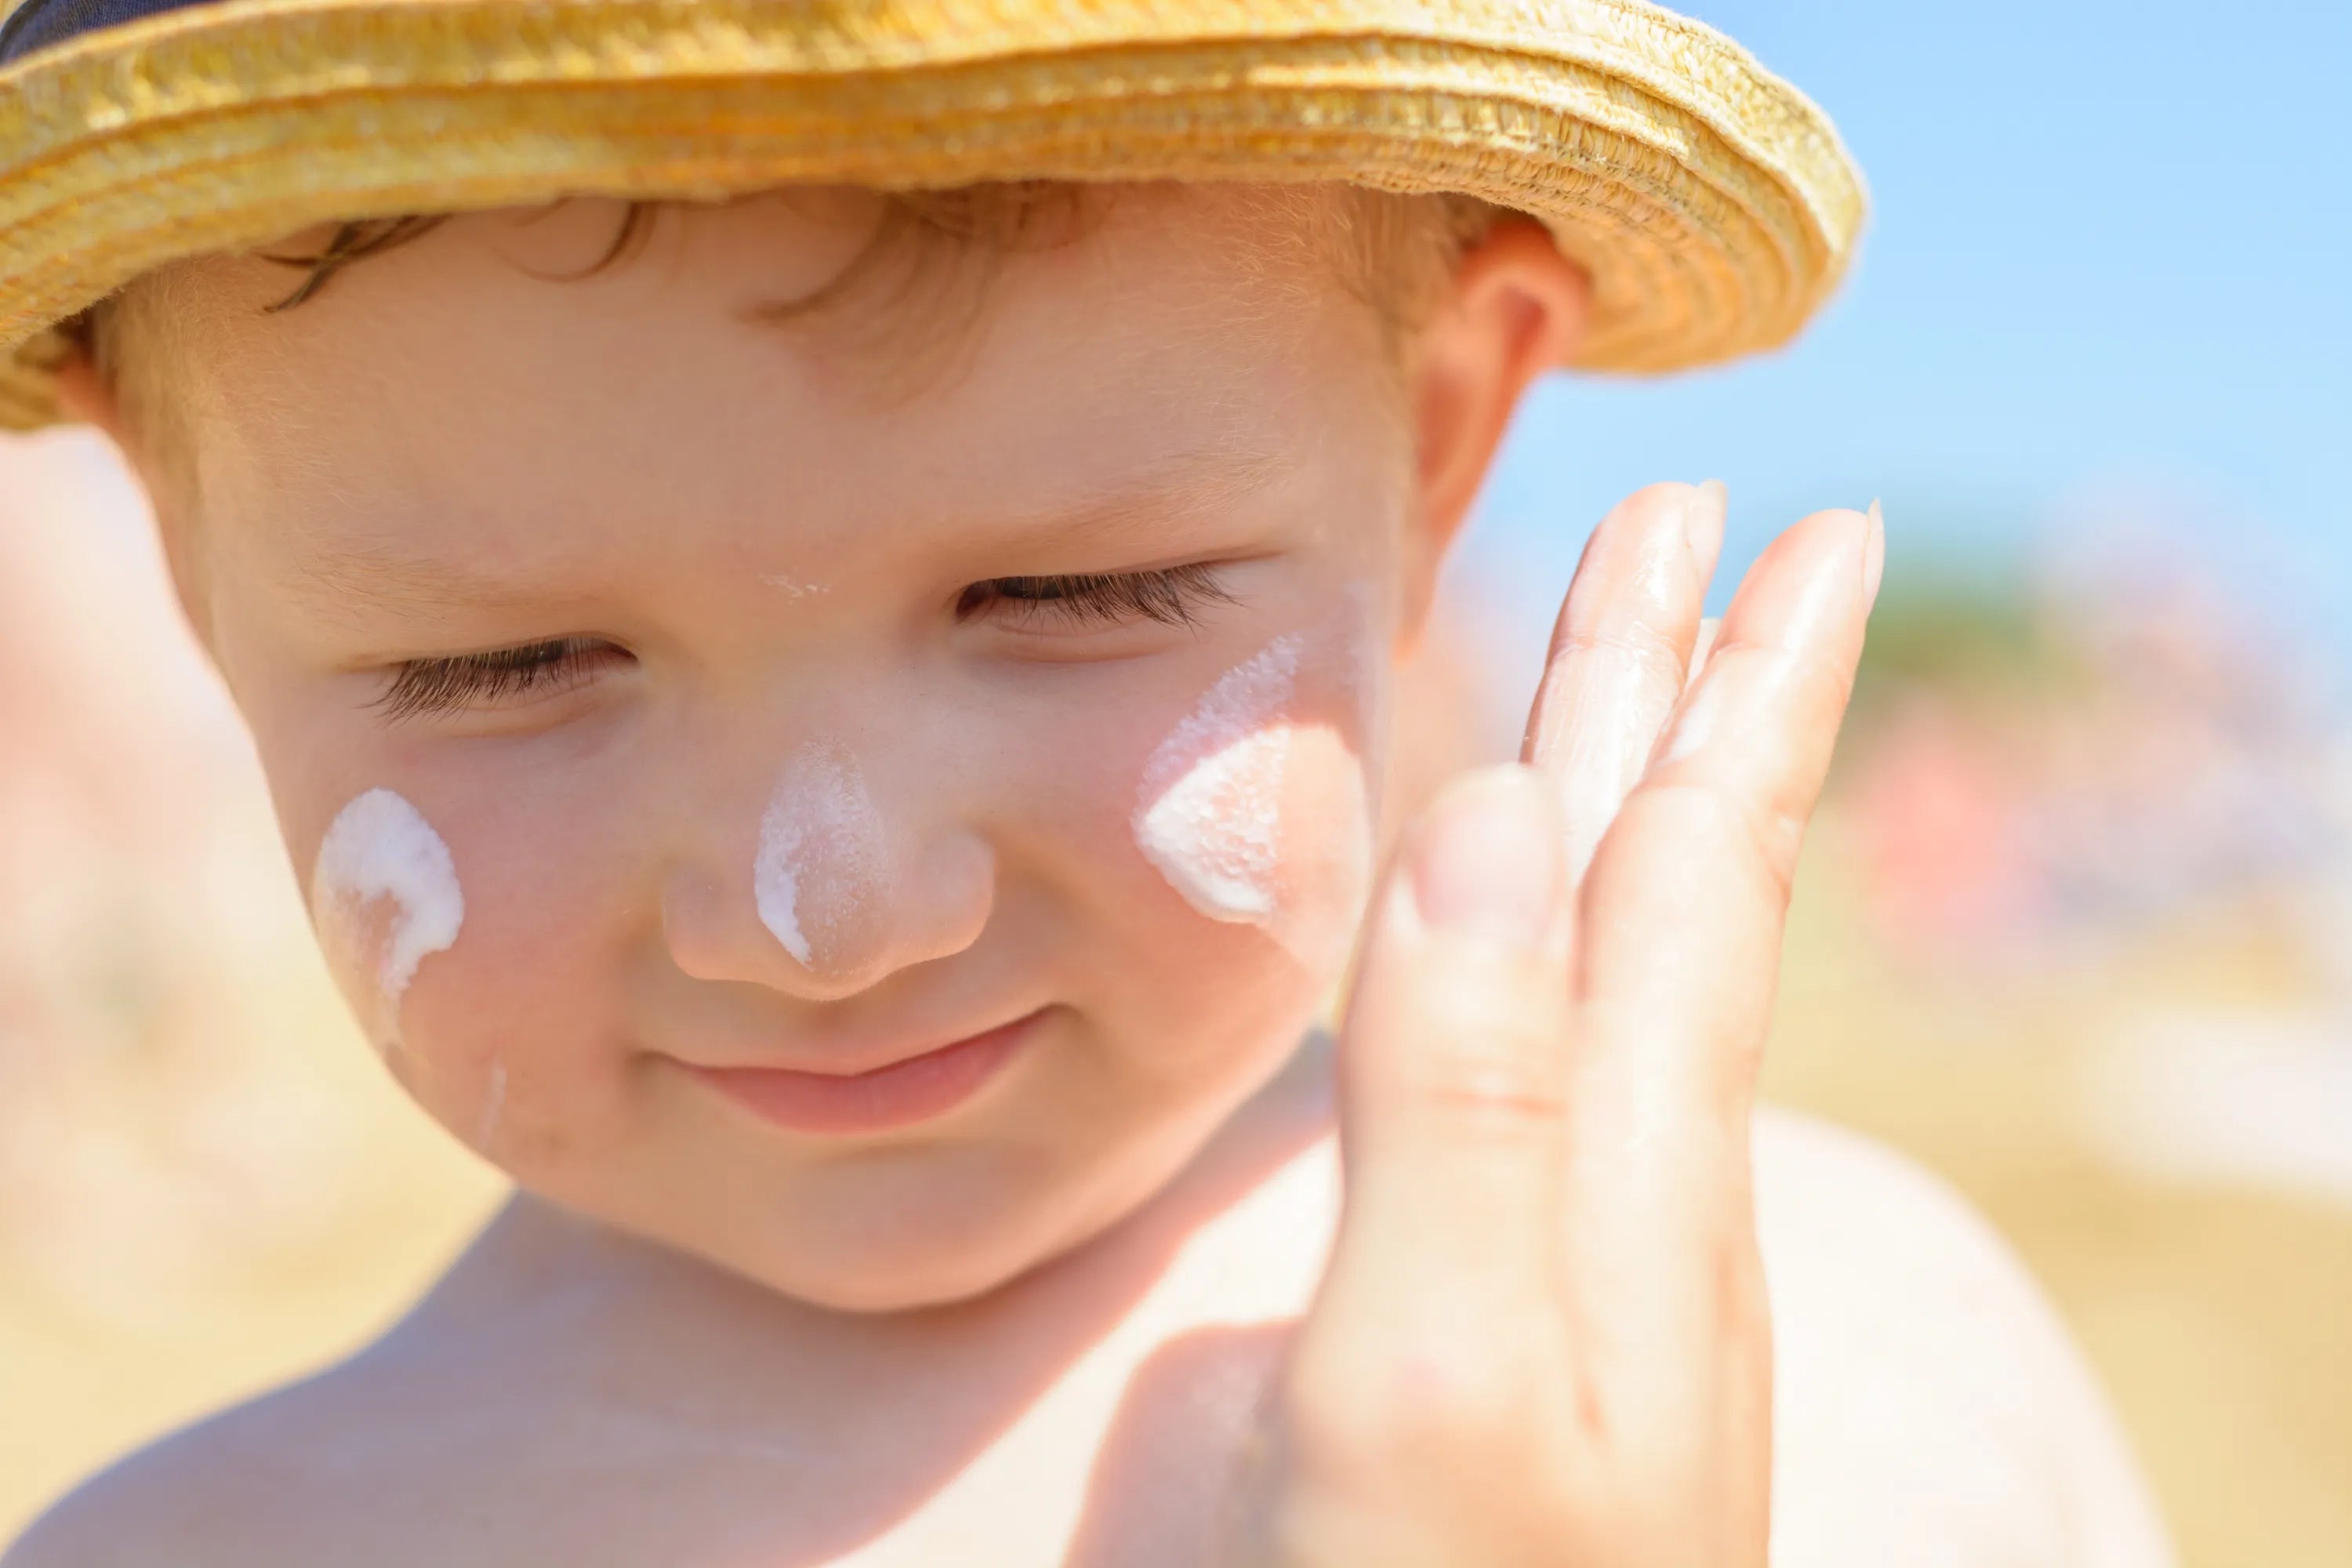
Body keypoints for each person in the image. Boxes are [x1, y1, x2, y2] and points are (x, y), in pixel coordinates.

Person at [0, 2, 2172, 1562]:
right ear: (191, 560)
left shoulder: (1869, 1364)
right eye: (503, 661)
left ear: (1430, 441)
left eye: (1071, 593)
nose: (827, 911)